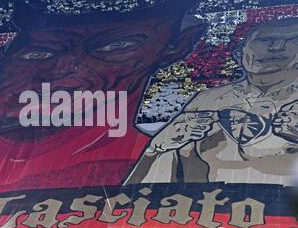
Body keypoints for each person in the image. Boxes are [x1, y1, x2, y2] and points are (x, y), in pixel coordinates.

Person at [0, 0, 207, 194]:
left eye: (115, 46)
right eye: (39, 53)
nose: (63, 69)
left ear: (173, 49)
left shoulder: (164, 162)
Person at [125, 18, 298, 186]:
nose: (276, 47)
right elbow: (138, 194)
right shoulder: (206, 100)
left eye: (293, 40)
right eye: (265, 40)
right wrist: (157, 149)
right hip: (214, 210)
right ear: (240, 53)